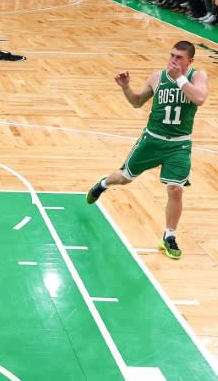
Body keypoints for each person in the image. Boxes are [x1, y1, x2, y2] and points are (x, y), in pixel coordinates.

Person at [86, 41, 209, 259]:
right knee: (124, 178)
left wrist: (180, 78)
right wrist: (126, 88)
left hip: (179, 144)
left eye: (179, 57)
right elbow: (136, 102)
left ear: (190, 61)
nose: (173, 60)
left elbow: (199, 98)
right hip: (151, 141)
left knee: (175, 189)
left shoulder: (197, 76)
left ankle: (169, 236)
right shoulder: (156, 77)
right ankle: (103, 184)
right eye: (172, 55)